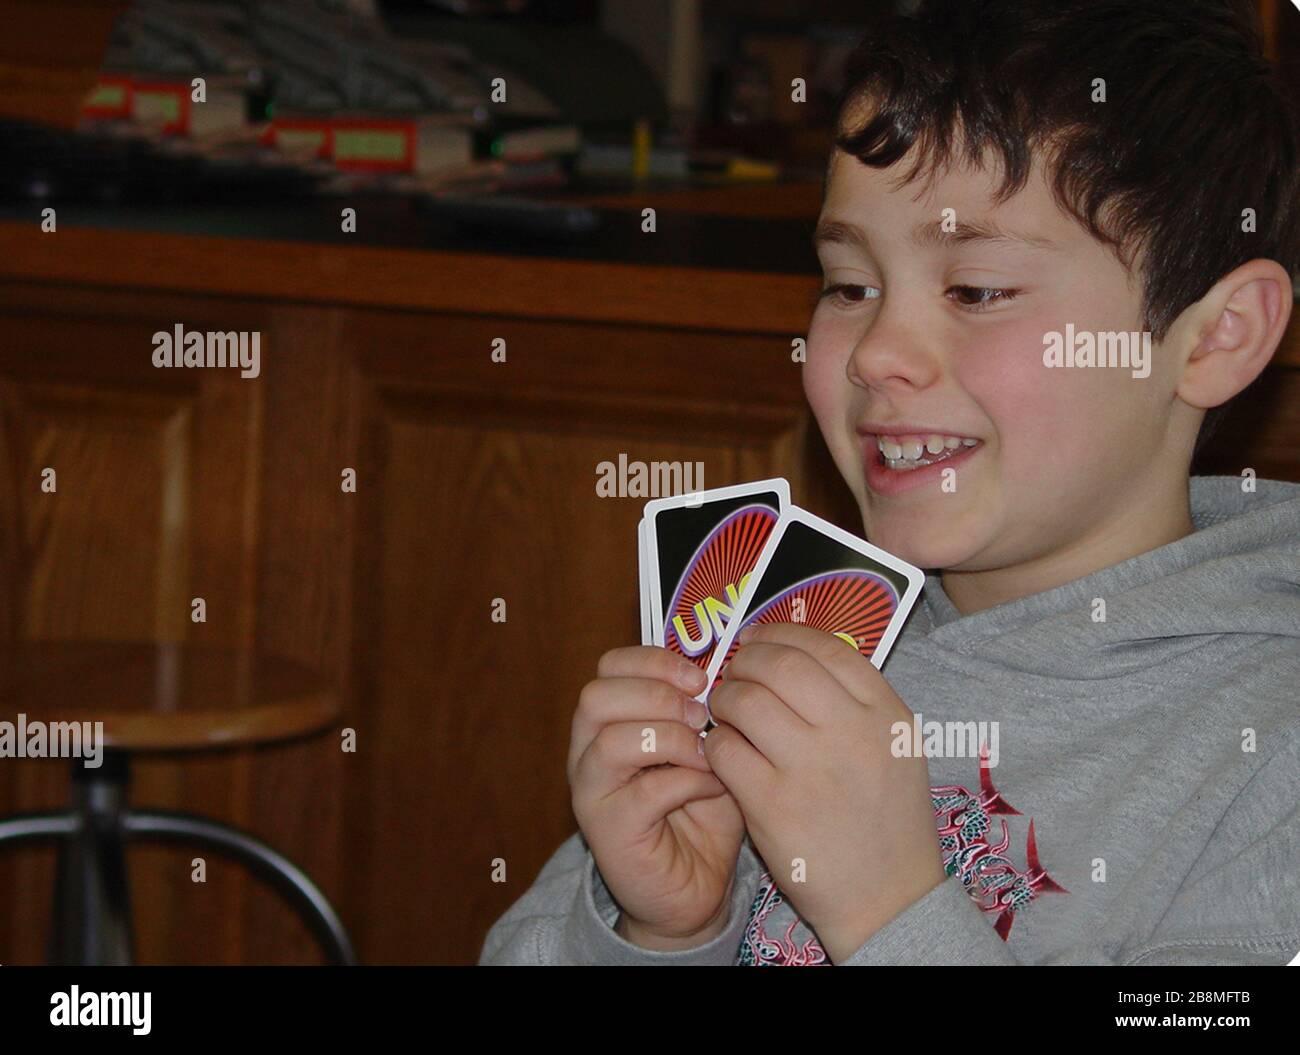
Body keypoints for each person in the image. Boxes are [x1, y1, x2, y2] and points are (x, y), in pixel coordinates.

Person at [480, 0, 1300, 965]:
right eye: (849, 286)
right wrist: (662, 929)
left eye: (977, 290)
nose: (878, 353)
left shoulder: (1267, 763)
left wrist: (887, 911)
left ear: (1217, 335)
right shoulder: (783, 623)